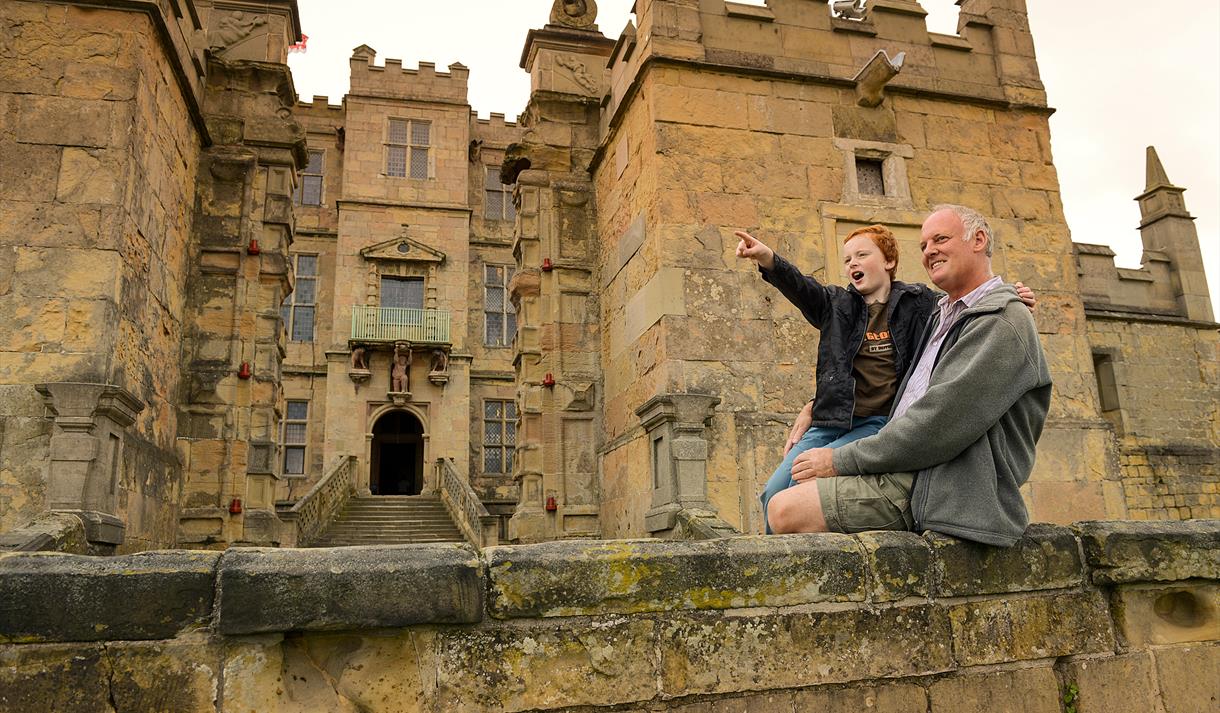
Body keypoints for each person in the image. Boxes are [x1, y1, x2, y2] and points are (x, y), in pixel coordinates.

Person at [766, 204, 1053, 547]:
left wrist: (839, 460)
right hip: (898, 460)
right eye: (924, 245)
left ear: (979, 240)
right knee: (776, 492)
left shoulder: (994, 319)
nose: (929, 250)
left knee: (784, 509)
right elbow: (812, 303)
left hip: (938, 486)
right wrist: (814, 404)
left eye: (940, 239)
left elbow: (939, 423)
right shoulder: (941, 315)